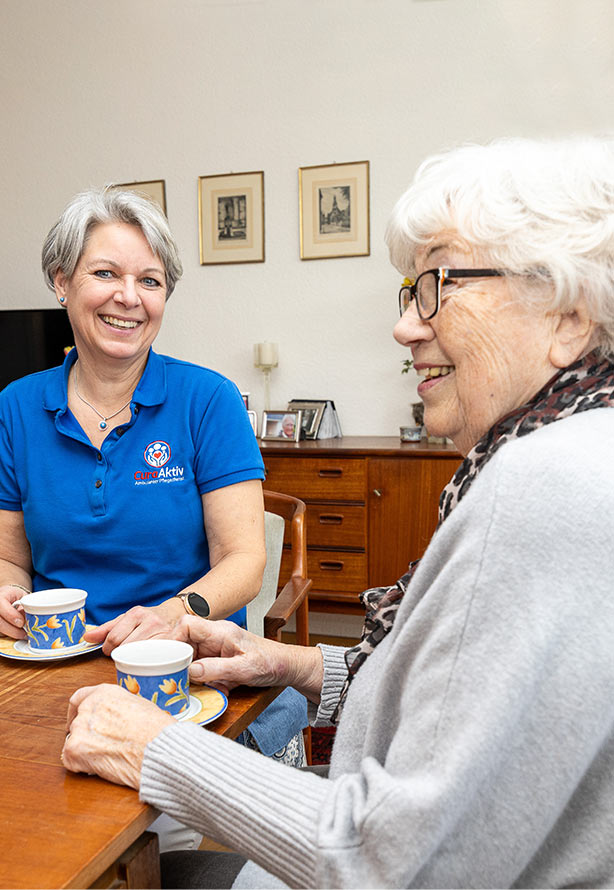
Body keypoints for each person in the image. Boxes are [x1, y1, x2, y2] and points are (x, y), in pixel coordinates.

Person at [63, 136, 614, 889]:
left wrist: (153, 749)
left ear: (568, 317)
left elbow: (398, 865)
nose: (406, 326)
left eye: (436, 287)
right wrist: (291, 663)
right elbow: (466, 712)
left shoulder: (544, 483)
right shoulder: (576, 447)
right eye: (409, 293)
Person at [0, 186, 308, 845]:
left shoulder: (207, 400)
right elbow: (9, 557)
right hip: (58, 675)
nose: (129, 297)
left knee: (143, 845)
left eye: (150, 280)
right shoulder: (16, 408)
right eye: (105, 273)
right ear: (62, 281)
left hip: (184, 678)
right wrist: (7, 592)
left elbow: (245, 561)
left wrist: (174, 614)